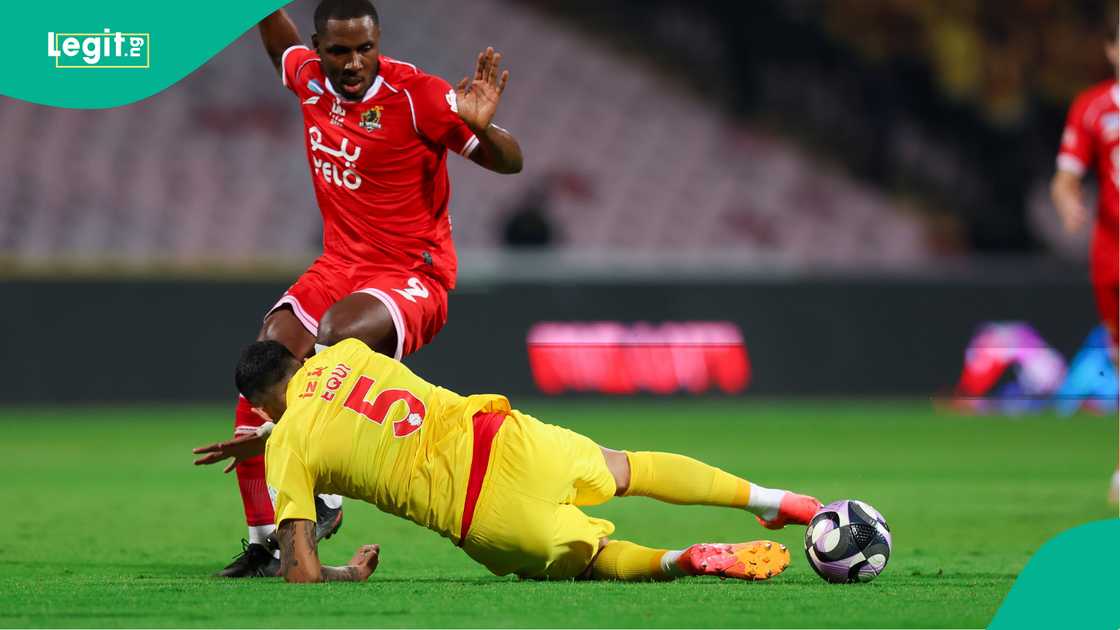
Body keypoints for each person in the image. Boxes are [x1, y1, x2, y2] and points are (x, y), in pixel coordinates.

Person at [215, 0, 524, 576]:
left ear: (378, 43)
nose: (354, 62)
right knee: (265, 362)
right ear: (320, 47)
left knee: (335, 332)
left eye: (365, 49)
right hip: (339, 263)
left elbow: (512, 163)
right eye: (339, 51)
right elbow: (281, 48)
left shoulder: (420, 98)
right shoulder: (310, 80)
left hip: (414, 273)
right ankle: (266, 542)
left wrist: (485, 130)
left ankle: (327, 489)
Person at [193, 338, 822, 583]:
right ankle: (773, 501)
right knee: (631, 467)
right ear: (300, 362)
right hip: (505, 439)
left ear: (255, 405)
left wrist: (350, 573)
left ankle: (686, 560)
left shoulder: (288, 446)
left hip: (482, 515)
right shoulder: (346, 351)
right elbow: (337, 409)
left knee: (595, 558)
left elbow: (298, 573)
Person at [1049, 14, 1119, 504]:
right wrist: (1069, 204)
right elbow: (1066, 177)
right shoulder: (1093, 107)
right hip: (1112, 252)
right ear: (1112, 51)